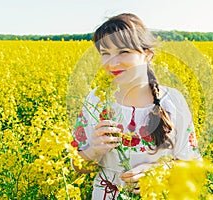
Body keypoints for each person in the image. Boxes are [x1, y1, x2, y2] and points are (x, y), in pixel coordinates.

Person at [71, 13, 201, 199]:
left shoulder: (173, 101)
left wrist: (160, 172)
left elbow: (192, 164)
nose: (112, 63)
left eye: (123, 52)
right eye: (105, 53)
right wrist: (94, 150)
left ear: (147, 55)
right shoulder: (96, 100)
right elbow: (78, 167)